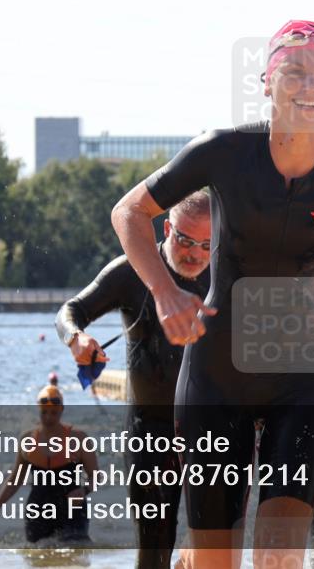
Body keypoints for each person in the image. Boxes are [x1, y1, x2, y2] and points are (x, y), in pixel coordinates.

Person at [110, 20, 314, 568]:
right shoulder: (222, 152)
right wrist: (164, 291)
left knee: (278, 558)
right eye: (295, 71)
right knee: (215, 563)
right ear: (266, 81)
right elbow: (130, 211)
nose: (310, 85)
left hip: (301, 380)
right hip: (215, 379)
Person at [55, 191, 211, 568]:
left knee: (212, 547)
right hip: (149, 429)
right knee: (155, 546)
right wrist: (76, 338)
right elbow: (71, 311)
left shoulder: (225, 275)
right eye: (185, 240)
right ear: (167, 228)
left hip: (212, 430)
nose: (195, 254)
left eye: (207, 245)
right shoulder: (131, 271)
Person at [0, 380, 98, 543]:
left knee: (75, 552)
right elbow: (15, 480)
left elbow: (96, 477)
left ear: (62, 410)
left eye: (54, 413)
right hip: (38, 510)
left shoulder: (78, 439)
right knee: (37, 555)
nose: (49, 417)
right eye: (44, 412)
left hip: (72, 509)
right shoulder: (27, 440)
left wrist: (84, 490)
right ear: (38, 409)